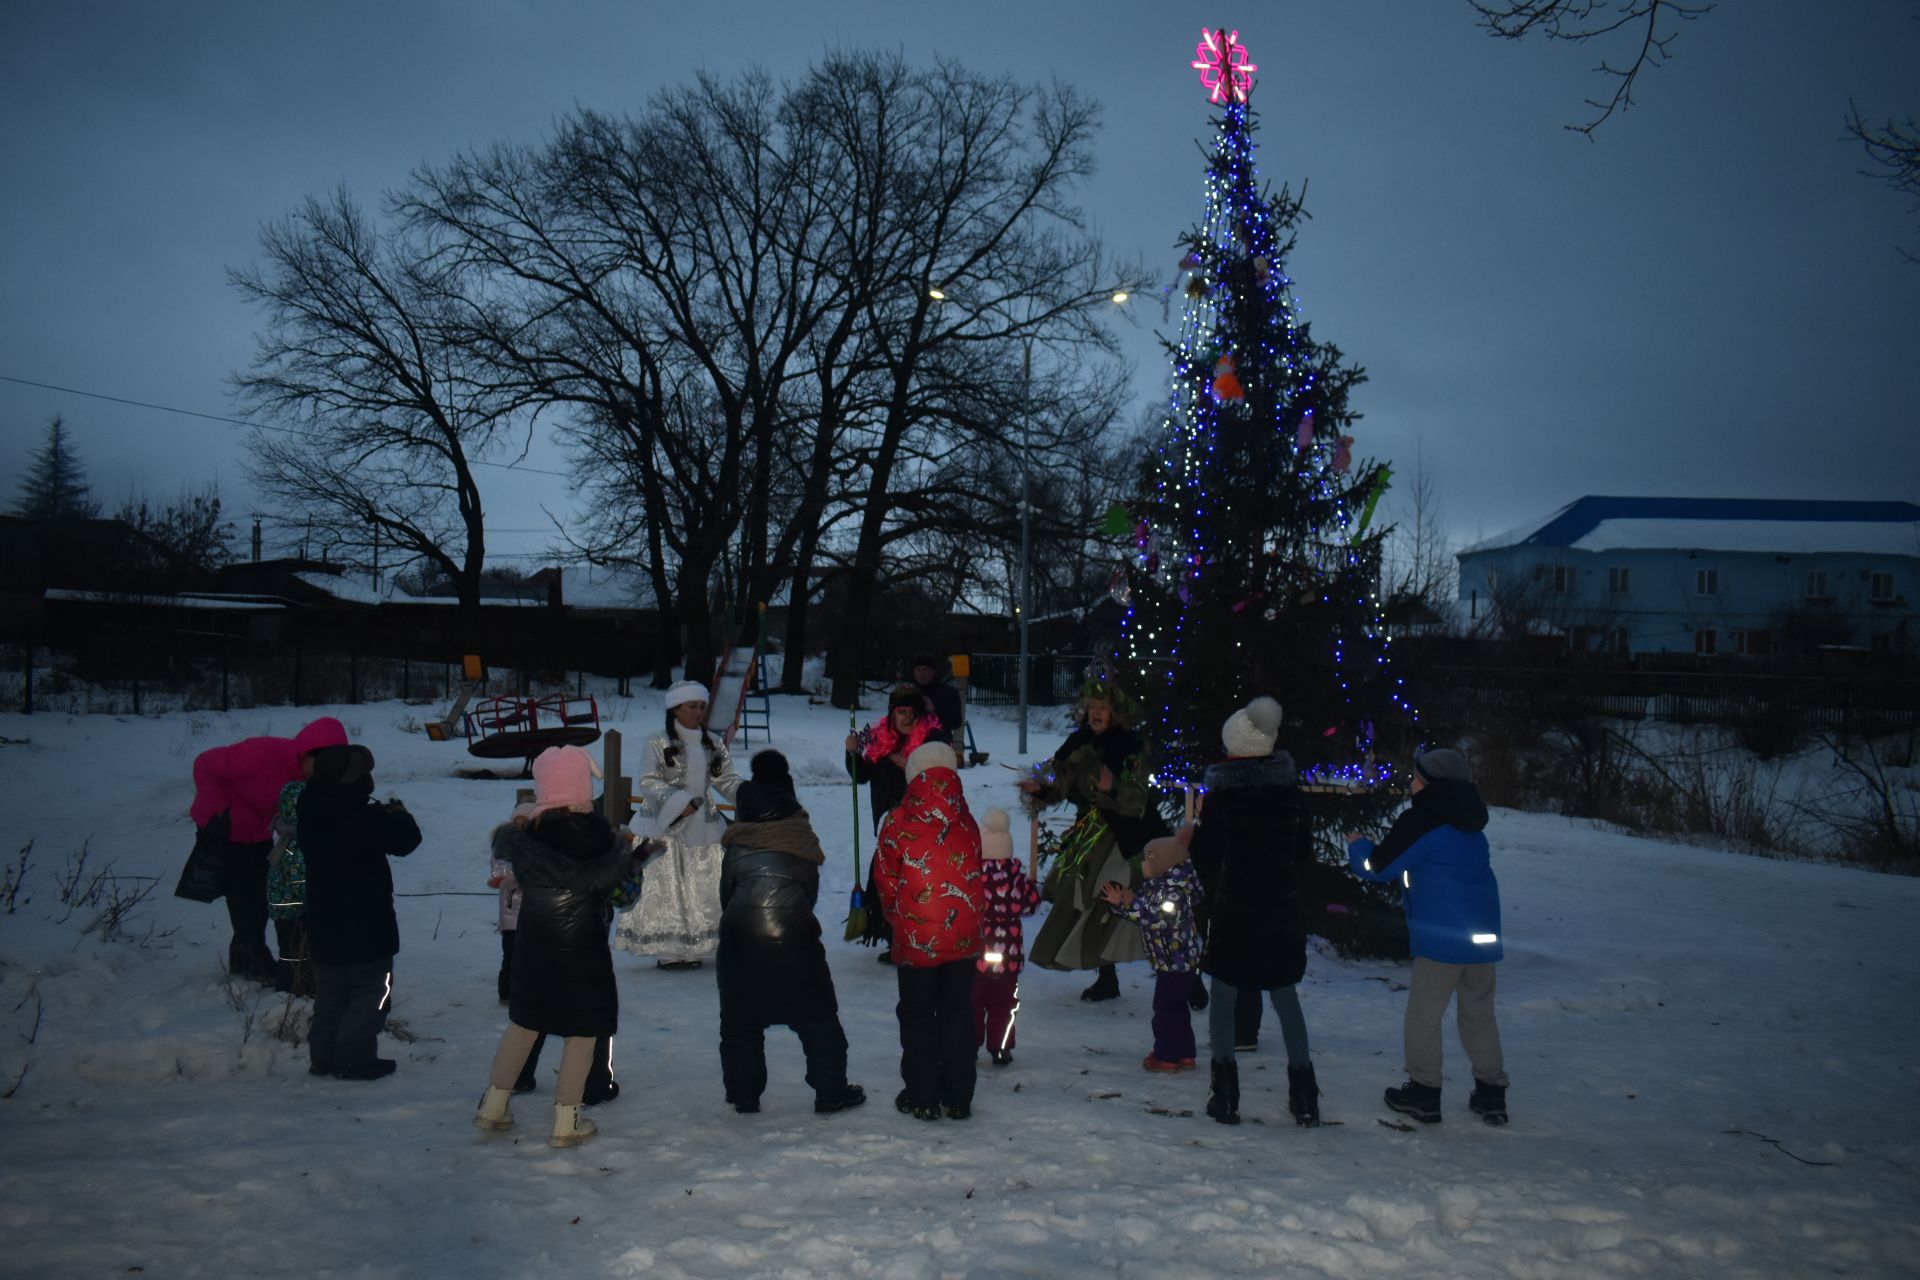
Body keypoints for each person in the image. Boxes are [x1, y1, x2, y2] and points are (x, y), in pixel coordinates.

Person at [475, 746, 649, 1148]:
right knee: (583, 1031)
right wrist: (634, 861)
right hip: (584, 948)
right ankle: (566, 1120)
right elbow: (624, 895)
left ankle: (493, 1106)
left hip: (533, 944)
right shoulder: (606, 840)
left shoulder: (526, 838)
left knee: (524, 1023)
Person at [1346, 746, 1509, 1126]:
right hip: (1482, 939)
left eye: (1416, 776)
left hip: (1441, 941)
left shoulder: (1421, 822)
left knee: (1424, 1017)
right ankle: (1492, 1095)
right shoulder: (1472, 824)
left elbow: (1377, 867)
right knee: (1479, 1017)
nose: (1411, 783)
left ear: (1430, 782)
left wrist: (1358, 846)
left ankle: (1423, 1093)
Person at [1186, 696, 1322, 1126]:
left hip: (1236, 909)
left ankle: (1225, 1095)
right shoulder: (1291, 796)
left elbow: (1205, 858)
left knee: (1224, 995)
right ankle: (1305, 1097)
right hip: (1281, 908)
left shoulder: (1224, 799)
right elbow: (1304, 852)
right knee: (1285, 997)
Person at [715, 750, 867, 1116]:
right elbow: (808, 896)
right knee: (818, 1019)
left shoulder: (736, 844)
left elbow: (726, 896)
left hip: (740, 945)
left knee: (740, 1024)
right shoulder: (801, 840)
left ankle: (744, 1095)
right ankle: (830, 1091)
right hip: (794, 943)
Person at [1019, 676, 1162, 1001]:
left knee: (1146, 908)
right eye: (1092, 707)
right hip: (1092, 835)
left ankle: (1185, 976)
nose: (1096, 713)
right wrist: (1040, 788)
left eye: (1104, 708)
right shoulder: (1078, 741)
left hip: (1133, 836)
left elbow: (1139, 797)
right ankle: (1107, 976)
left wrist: (1115, 789)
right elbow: (1058, 779)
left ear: (1116, 712)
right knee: (1094, 904)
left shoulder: (1131, 745)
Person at [190, 716, 348, 985]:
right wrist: (221, 812)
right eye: (317, 763)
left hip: (258, 836)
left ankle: (259, 960)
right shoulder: (259, 755)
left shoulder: (307, 778)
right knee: (245, 900)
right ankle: (248, 964)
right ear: (305, 751)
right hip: (224, 832)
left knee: (263, 897)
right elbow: (204, 764)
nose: (318, 773)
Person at [873, 740, 983, 1121]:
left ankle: (921, 1095)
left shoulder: (897, 821)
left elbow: (886, 879)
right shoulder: (967, 821)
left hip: (918, 942)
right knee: (956, 1013)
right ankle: (958, 1096)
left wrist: (894, 915)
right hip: (964, 939)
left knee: (918, 1015)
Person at [297, 745, 422, 1080]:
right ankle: (354, 1059)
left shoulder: (310, 805)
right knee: (373, 994)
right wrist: (399, 815)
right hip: (368, 924)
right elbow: (407, 841)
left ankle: (322, 1057)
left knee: (331, 994)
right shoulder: (360, 815)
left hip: (325, 921)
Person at [616, 680, 742, 969]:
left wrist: (754, 795)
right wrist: (677, 803)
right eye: (692, 706)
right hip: (664, 826)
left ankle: (700, 945)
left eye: (701, 706)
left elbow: (727, 780)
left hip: (704, 826)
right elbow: (648, 781)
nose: (698, 712)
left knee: (702, 886)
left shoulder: (714, 742)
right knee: (668, 888)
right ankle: (668, 948)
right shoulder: (657, 741)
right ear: (675, 708)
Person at [844, 685, 949, 959]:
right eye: (900, 712)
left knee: (915, 882)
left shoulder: (934, 740)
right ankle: (895, 941)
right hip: (890, 823)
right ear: (891, 714)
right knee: (885, 880)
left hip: (923, 824)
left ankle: (919, 940)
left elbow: (945, 778)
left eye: (911, 712)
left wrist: (913, 767)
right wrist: (853, 753)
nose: (906, 718)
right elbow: (861, 776)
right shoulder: (880, 738)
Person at [1098, 837, 1200, 1072]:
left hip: (1175, 963)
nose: (1143, 864)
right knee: (1177, 1008)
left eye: (1148, 860)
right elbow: (1146, 908)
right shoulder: (1165, 884)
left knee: (1165, 1010)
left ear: (1162, 863)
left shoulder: (1174, 892)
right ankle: (1185, 1053)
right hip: (1177, 962)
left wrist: (1127, 906)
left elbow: (1154, 917)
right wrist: (1129, 901)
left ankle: (1166, 1056)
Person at [972, 807, 1041, 1067]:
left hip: (978, 953)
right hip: (1009, 956)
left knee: (974, 1000)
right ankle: (1001, 1047)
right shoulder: (1017, 878)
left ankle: (971, 1041)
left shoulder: (973, 877)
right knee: (1004, 1003)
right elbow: (1032, 903)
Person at [265, 778, 315, 997]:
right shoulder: (300, 844)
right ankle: (295, 992)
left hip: (283, 909)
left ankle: (291, 988)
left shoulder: (283, 833)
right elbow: (305, 883)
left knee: (290, 952)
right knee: (297, 955)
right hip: (296, 910)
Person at [909, 650, 964, 739]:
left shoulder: (949, 692)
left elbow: (956, 723)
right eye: (917, 669)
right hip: (912, 745)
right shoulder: (909, 693)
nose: (921, 674)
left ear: (933, 671)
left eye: (925, 669)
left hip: (939, 746)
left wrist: (934, 710)